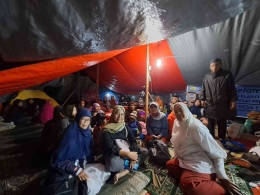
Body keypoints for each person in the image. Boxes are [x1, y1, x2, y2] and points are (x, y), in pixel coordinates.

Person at [166, 103, 242, 195]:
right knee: (170, 164)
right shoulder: (177, 123)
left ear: (186, 110)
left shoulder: (196, 127)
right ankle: (198, 178)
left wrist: (223, 178)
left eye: (180, 110)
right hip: (185, 159)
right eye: (176, 111)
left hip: (198, 160)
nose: (178, 113)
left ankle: (221, 189)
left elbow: (216, 152)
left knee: (188, 184)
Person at [42, 108, 93, 195]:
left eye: (88, 119)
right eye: (83, 118)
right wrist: (76, 170)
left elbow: (89, 150)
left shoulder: (87, 133)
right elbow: (58, 160)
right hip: (69, 165)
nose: (86, 122)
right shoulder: (71, 135)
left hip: (83, 163)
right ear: (78, 119)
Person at [102, 105, 148, 184]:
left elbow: (132, 139)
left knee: (145, 151)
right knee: (112, 164)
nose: (120, 116)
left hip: (127, 149)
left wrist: (133, 153)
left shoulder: (124, 126)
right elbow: (109, 148)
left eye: (122, 114)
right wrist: (128, 155)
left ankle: (124, 172)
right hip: (115, 155)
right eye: (117, 114)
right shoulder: (106, 130)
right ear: (113, 114)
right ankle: (132, 166)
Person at [200, 58, 237, 139]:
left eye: (217, 65)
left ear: (220, 65)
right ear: (210, 67)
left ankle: (221, 139)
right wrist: (202, 99)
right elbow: (203, 89)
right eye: (212, 65)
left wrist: (233, 100)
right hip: (210, 104)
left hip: (222, 103)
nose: (214, 67)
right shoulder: (207, 76)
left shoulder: (227, 74)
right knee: (210, 122)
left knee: (222, 122)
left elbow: (232, 88)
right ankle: (211, 138)